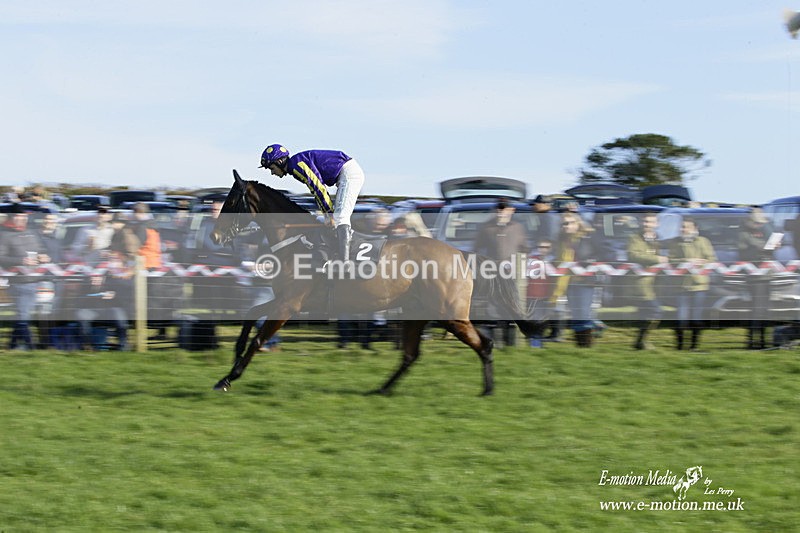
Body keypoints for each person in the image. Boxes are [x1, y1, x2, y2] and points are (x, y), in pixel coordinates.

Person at [259, 144, 365, 263]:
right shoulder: (296, 165)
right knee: (331, 219)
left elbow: (318, 188)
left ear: (279, 161)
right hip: (344, 173)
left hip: (349, 173)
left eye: (272, 168)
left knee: (340, 217)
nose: (272, 173)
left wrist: (329, 214)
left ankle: (344, 263)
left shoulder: (297, 165)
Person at [0, 203, 50, 350]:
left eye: (24, 217)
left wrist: (43, 255)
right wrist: (21, 261)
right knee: (23, 315)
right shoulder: (4, 234)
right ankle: (30, 347)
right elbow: (1, 258)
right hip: (18, 282)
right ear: (12, 217)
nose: (22, 219)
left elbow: (40, 248)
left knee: (24, 315)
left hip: (35, 280)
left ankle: (13, 345)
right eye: (18, 216)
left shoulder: (31, 231)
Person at [667, 217, 716, 351]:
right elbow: (671, 260)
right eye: (682, 227)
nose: (684, 229)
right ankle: (680, 345)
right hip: (681, 285)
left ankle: (694, 346)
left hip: (699, 285)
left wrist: (702, 262)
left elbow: (712, 259)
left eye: (687, 227)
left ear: (695, 229)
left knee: (696, 317)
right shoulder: (675, 243)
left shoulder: (703, 241)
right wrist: (687, 260)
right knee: (681, 317)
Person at [550, 212, 597, 347]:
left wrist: (590, 263)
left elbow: (600, 254)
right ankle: (581, 344)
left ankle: (587, 344)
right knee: (576, 312)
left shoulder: (588, 238)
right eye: (564, 224)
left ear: (578, 223)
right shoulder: (561, 241)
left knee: (583, 312)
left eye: (569, 223)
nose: (566, 226)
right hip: (568, 281)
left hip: (585, 282)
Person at [738, 208, 777, 349]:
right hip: (754, 277)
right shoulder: (744, 234)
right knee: (756, 309)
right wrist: (763, 248)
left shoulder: (764, 231)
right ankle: (753, 341)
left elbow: (773, 242)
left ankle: (763, 340)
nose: (759, 225)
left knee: (765, 309)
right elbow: (744, 251)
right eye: (757, 222)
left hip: (766, 275)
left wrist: (771, 245)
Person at [627, 212, 667, 350]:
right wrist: (657, 259)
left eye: (650, 222)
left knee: (645, 313)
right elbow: (633, 255)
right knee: (655, 310)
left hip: (656, 282)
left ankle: (640, 341)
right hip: (641, 282)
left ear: (656, 224)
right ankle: (643, 340)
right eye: (645, 222)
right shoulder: (634, 238)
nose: (647, 224)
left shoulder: (658, 240)